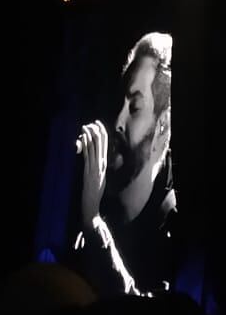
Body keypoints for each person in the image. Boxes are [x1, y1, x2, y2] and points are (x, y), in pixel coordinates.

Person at [72, 32, 180, 296]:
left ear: (162, 124)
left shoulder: (173, 219)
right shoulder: (105, 200)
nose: (118, 120)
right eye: (121, 102)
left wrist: (93, 222)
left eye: (134, 107)